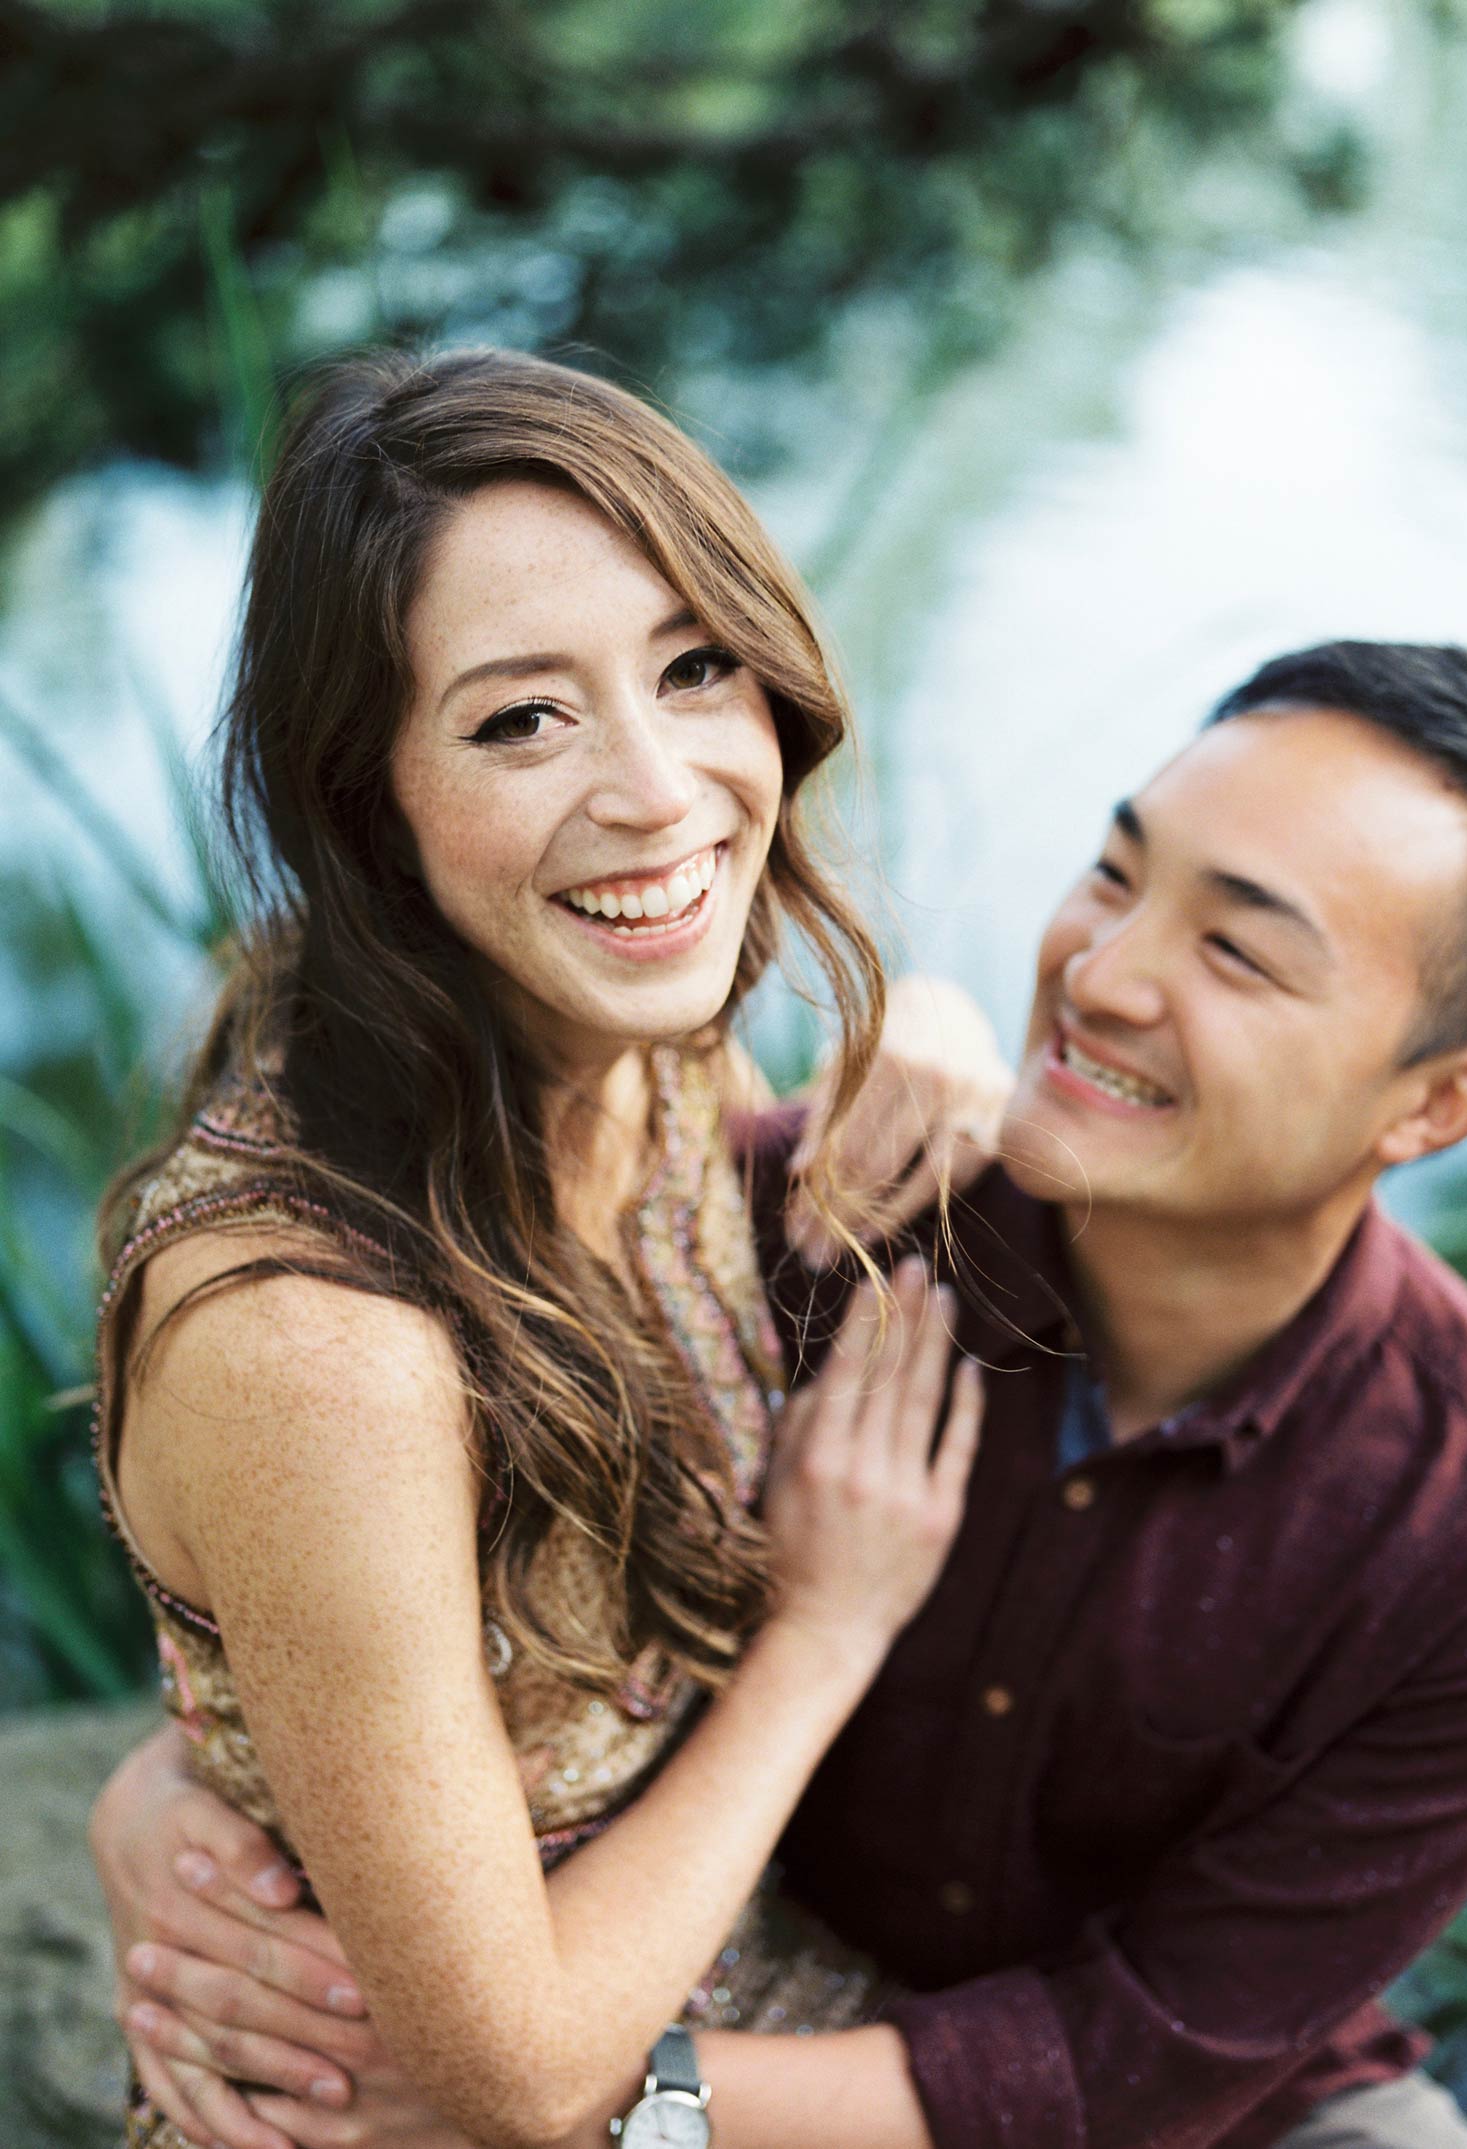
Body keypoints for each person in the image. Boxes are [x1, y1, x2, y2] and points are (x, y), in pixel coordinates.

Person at [96, 641, 1467, 2149]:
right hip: (749, 1974)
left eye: (1239, 955)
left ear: (1438, 1102)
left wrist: (602, 2095)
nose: (1102, 972)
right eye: (1117, 872)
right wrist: (178, 1789)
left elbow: (1137, 2059)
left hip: (1183, 2104)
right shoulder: (828, 1218)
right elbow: (395, 1578)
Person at [87, 342, 992, 2149]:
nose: (662, 792)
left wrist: (942, 1026)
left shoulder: (636, 1039)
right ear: (370, 805)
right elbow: (516, 2075)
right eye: (522, 718)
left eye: (693, 670)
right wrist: (829, 1626)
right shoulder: (319, 1343)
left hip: (740, 2025)